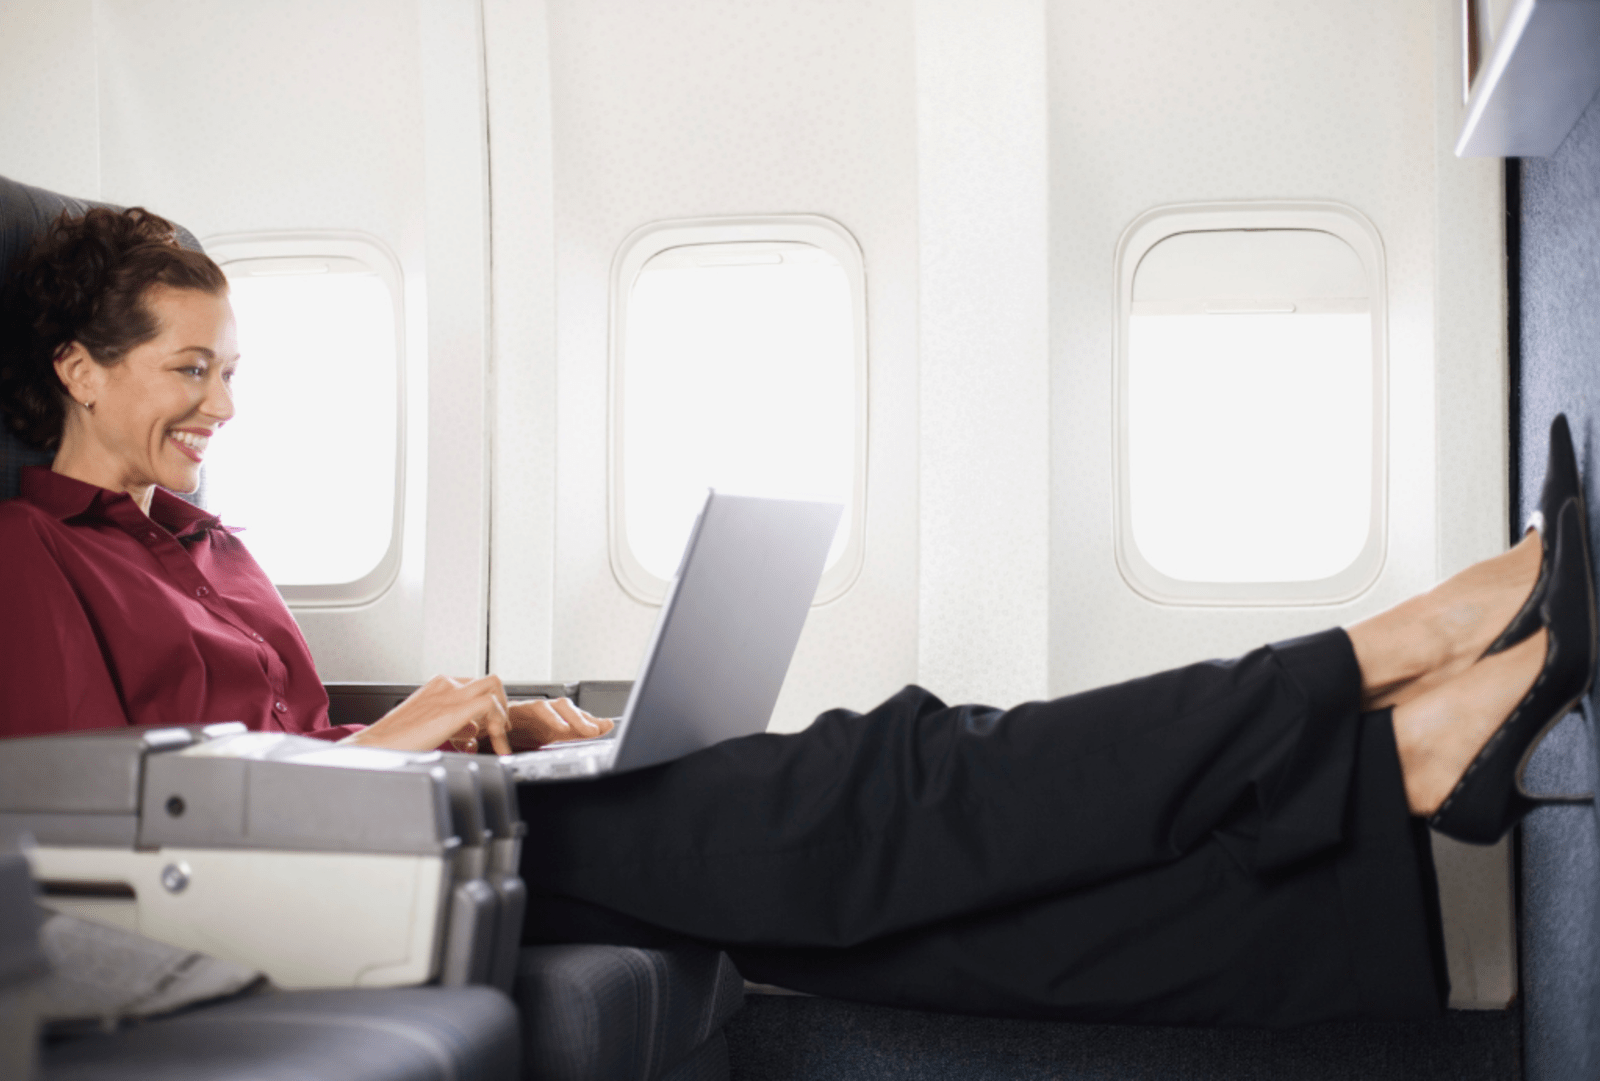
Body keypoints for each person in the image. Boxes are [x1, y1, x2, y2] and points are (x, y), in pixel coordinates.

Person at [0, 207, 1591, 1029]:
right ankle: (1398, 654)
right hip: (343, 899)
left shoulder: (206, 545)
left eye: (233, 369)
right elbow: (97, 831)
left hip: (430, 830)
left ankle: (1407, 769)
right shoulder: (33, 555)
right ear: (79, 367)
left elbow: (274, 748)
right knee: (899, 774)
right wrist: (391, 748)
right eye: (188, 369)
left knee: (948, 925)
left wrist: (441, 733)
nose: (222, 404)